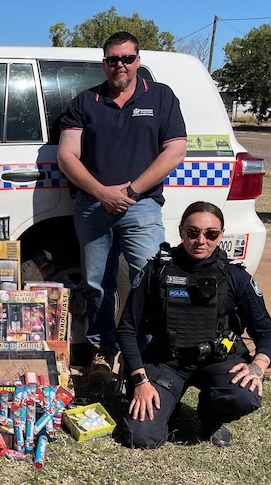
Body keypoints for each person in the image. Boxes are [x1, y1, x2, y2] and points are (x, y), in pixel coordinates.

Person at [57, 31, 188, 383]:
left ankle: (143, 354)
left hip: (141, 206)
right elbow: (67, 155)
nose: (120, 65)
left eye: (127, 58)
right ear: (104, 63)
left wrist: (128, 191)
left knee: (149, 280)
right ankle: (102, 352)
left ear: (138, 61)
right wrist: (102, 192)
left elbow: (175, 151)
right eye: (113, 59)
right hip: (92, 206)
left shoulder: (161, 97)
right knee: (98, 284)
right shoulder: (85, 101)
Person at [116, 201, 271, 448]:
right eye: (193, 232)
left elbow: (267, 334)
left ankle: (211, 416)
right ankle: (169, 406)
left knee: (244, 395)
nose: (201, 240)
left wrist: (257, 366)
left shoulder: (236, 277)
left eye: (211, 233)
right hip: (167, 362)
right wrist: (140, 381)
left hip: (219, 361)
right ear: (181, 232)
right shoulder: (156, 271)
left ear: (221, 235)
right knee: (140, 436)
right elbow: (127, 329)